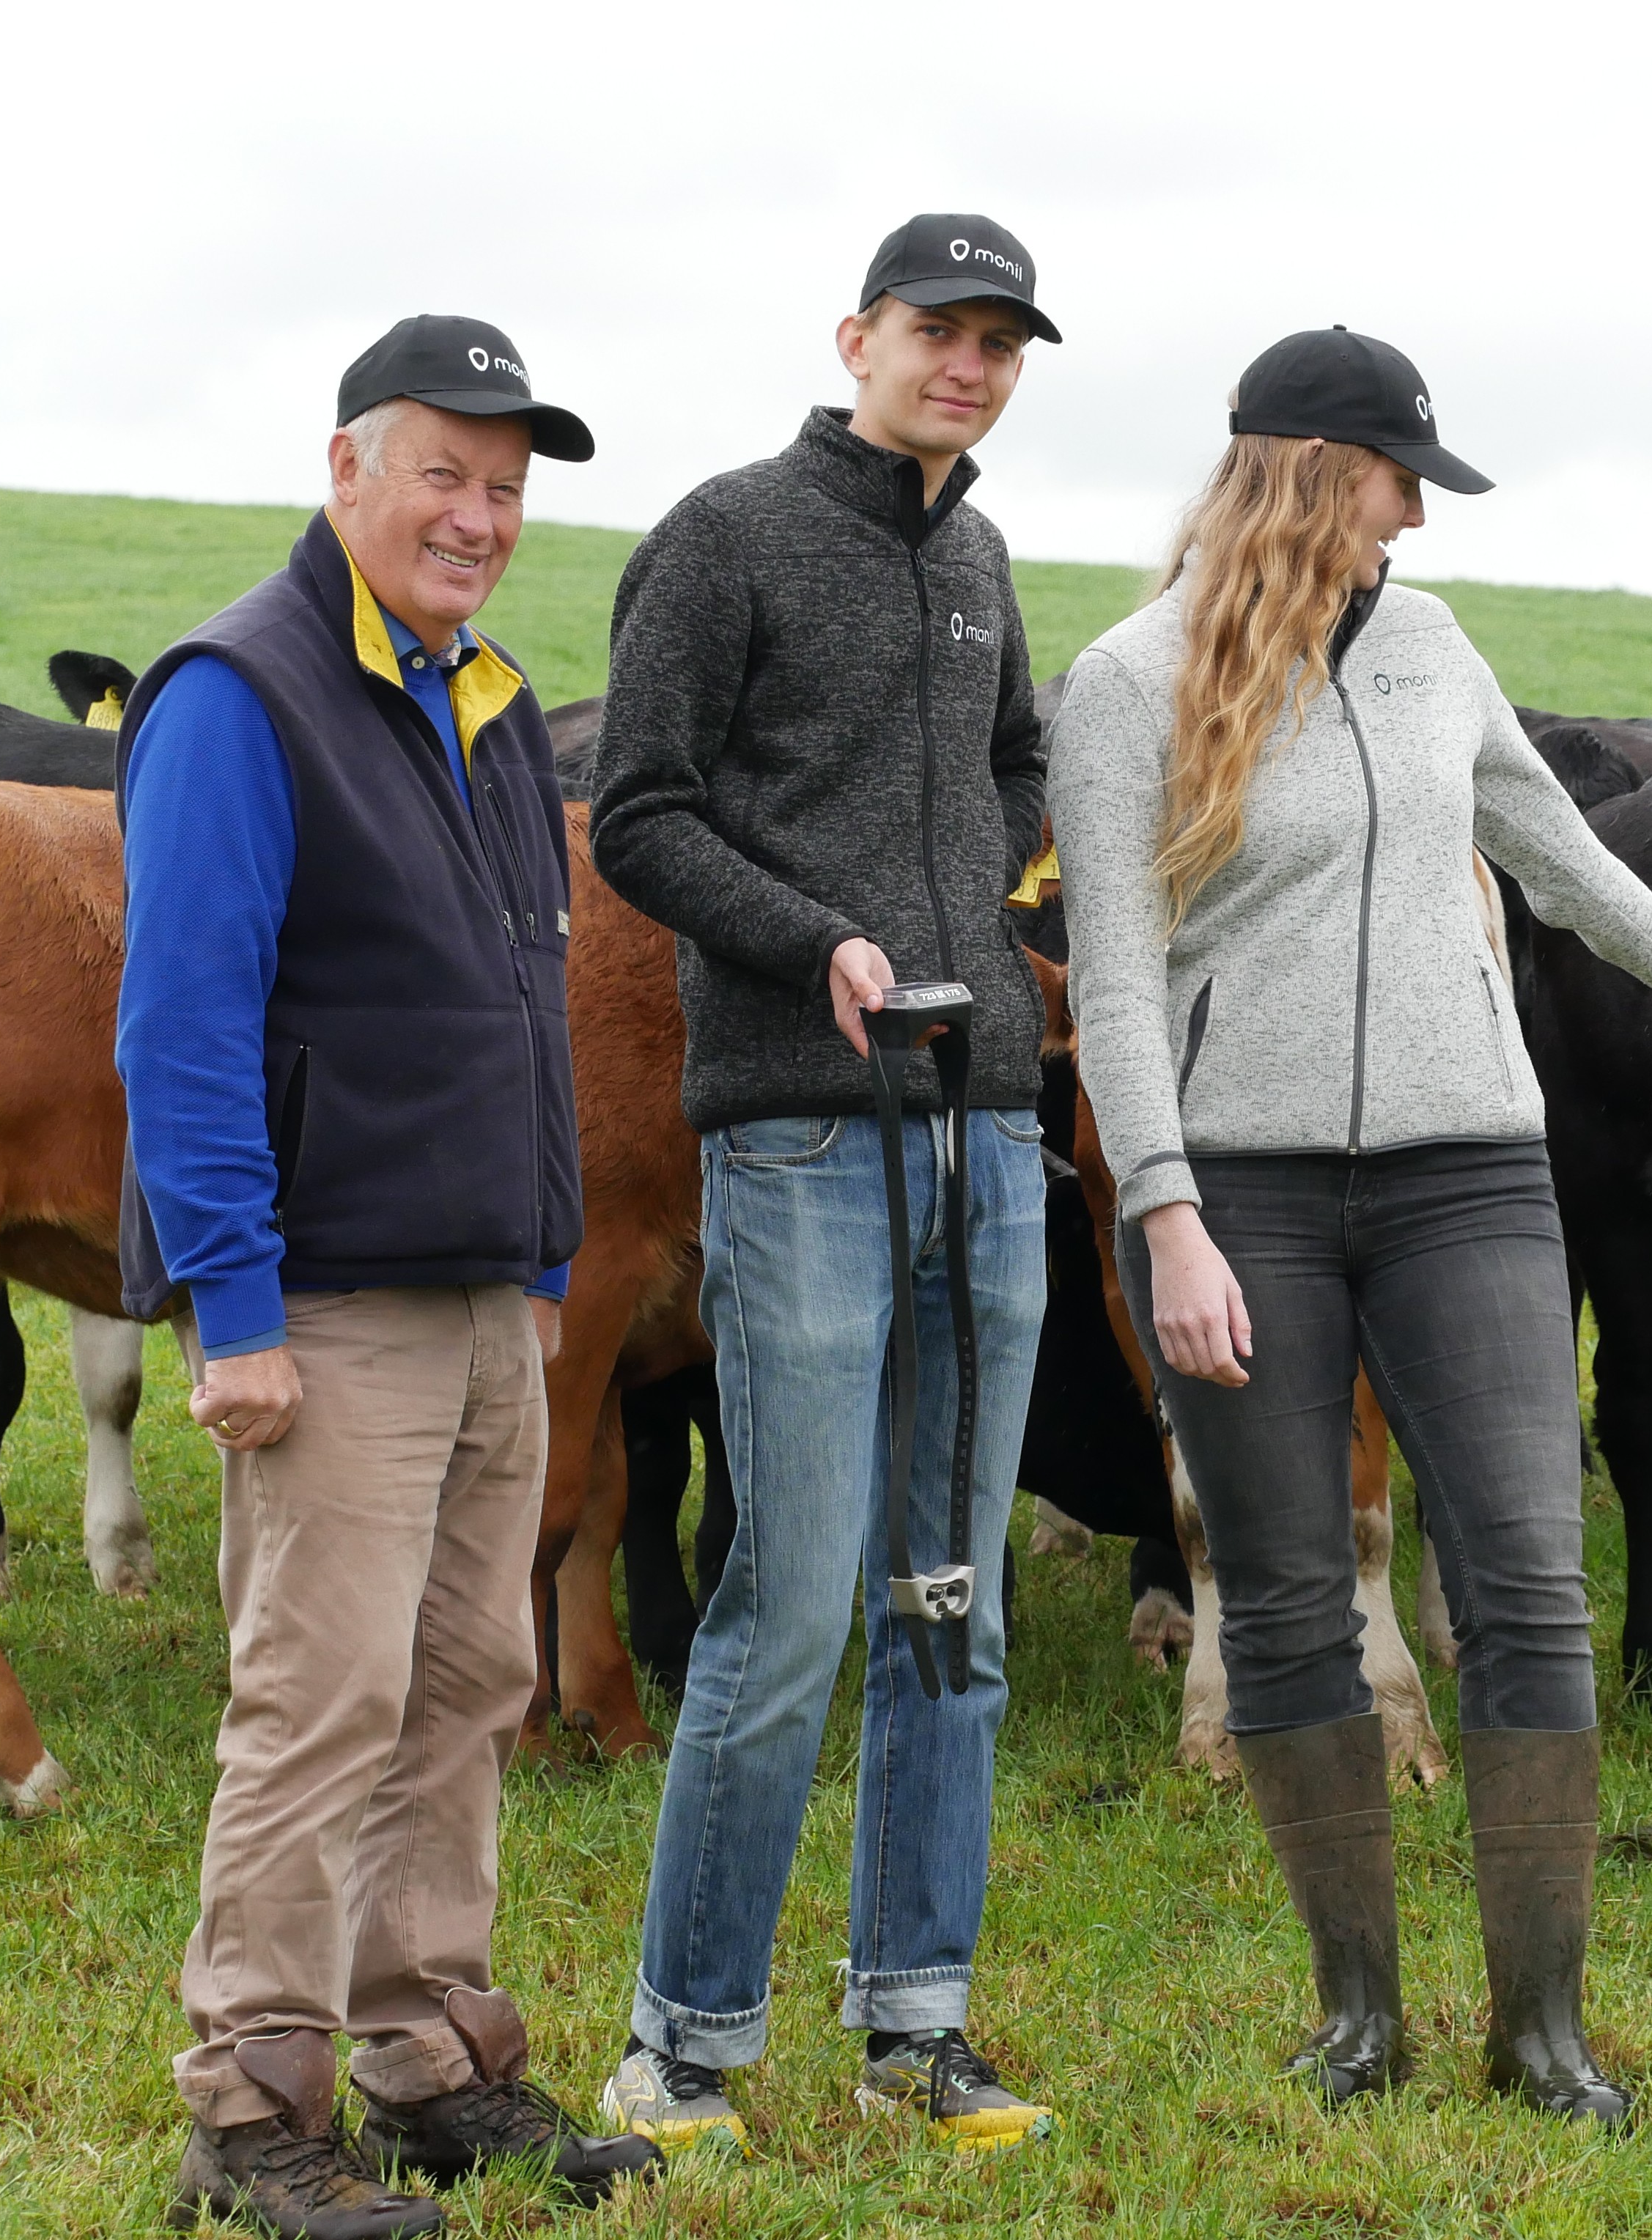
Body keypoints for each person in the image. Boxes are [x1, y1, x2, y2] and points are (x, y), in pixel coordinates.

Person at [1047, 328, 1652, 2125]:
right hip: (1238, 1183)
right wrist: (1166, 1215)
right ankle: (1357, 2014)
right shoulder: (1128, 680)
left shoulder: (1425, 647)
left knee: (1531, 1587)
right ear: (1313, 469)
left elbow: (1557, 848)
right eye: (1398, 475)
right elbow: (1110, 977)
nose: (1416, 510)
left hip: (1471, 1163)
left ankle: (1540, 2027)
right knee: (1287, 1597)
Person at [118, 316, 661, 2234]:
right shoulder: (237, 696)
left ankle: (429, 2060)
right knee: (321, 1694)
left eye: (508, 487)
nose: (480, 515)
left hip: (486, 1292)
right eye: (444, 471)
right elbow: (182, 1024)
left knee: (470, 1676)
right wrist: (235, 1310)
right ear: (346, 467)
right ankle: (253, 2110)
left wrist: (540, 1263)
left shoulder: (496, 705)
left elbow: (525, 1011)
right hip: (327, 1300)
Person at [584, 215, 1064, 2157]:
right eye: (939, 332)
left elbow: (1019, 760)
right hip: (802, 1129)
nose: (969, 365)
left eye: (1002, 342)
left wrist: (974, 892)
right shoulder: (725, 536)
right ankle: (680, 2048)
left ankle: (915, 2028)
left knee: (956, 1597)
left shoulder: (980, 555)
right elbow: (638, 813)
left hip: (991, 1131)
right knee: (789, 1603)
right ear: (856, 333)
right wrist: (826, 941)